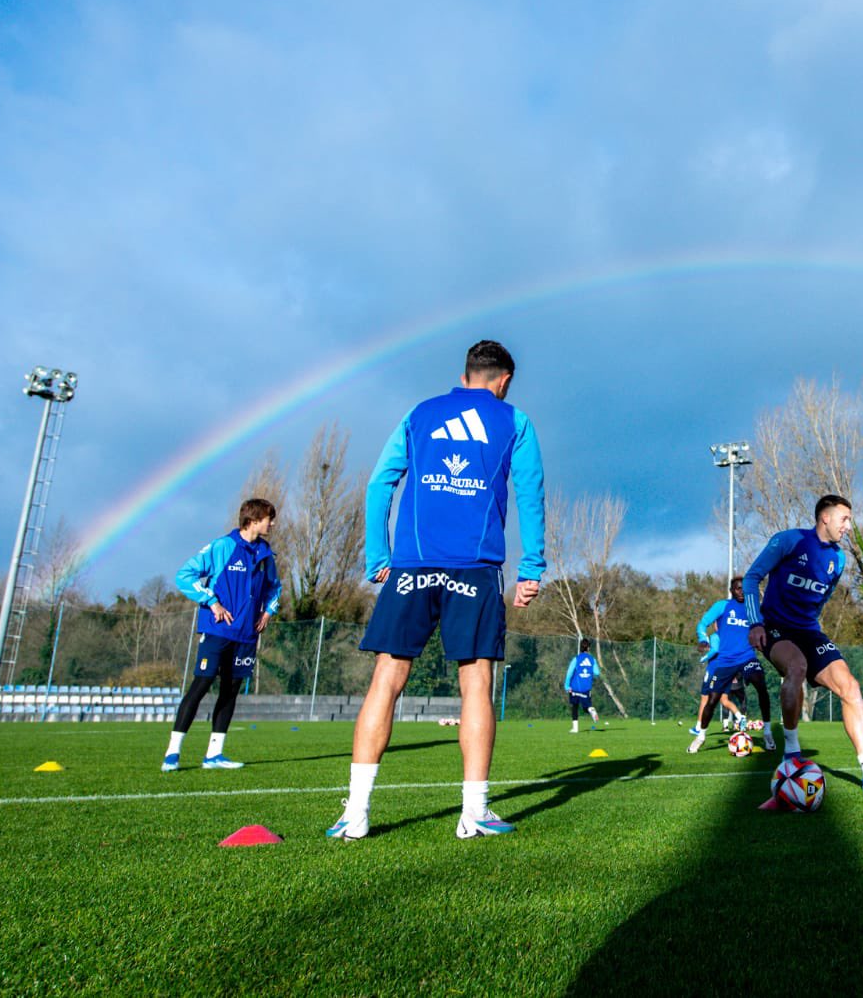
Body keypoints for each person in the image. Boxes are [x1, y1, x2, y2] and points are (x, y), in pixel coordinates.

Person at [327, 340, 545, 841]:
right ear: (504, 380)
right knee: (476, 683)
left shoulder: (419, 414)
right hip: (475, 568)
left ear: (466, 373)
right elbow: (530, 495)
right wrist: (531, 569)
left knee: (387, 677)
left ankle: (355, 814)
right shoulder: (515, 421)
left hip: (412, 565)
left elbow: (380, 483)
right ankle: (474, 813)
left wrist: (377, 555)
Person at [742, 495, 863, 795]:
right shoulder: (789, 541)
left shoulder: (839, 560)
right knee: (795, 666)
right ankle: (791, 753)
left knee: (851, 688)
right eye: (844, 519)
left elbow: (819, 601)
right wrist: (755, 623)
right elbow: (752, 578)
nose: (848, 526)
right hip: (775, 627)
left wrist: (813, 634)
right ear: (825, 518)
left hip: (809, 631)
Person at [164, 498, 281, 772]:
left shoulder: (265, 554)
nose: (272, 523)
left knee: (230, 693)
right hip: (217, 631)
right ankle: (173, 752)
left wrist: (268, 612)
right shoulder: (223, 546)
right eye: (268, 518)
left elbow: (274, 588)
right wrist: (212, 601)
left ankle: (214, 755)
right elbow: (185, 575)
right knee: (201, 685)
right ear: (253, 520)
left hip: (246, 636)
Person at [694, 578, 775, 750]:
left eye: (744, 589)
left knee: (761, 684)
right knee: (713, 699)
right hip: (725, 661)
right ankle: (700, 736)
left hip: (747, 658)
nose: (742, 592)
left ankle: (767, 733)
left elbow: (768, 628)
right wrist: (702, 639)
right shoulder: (722, 606)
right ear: (732, 590)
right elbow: (703, 623)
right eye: (738, 589)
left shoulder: (754, 609)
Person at [564, 640, 600, 733]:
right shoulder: (592, 659)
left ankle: (575, 729)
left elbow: (569, 673)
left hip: (575, 688)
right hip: (586, 688)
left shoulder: (576, 659)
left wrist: (567, 685)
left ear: (581, 647)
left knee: (575, 706)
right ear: (588, 648)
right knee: (586, 707)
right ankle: (591, 710)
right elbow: (597, 673)